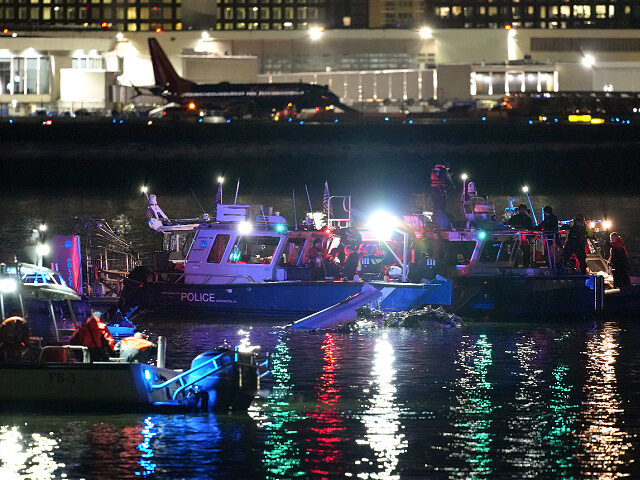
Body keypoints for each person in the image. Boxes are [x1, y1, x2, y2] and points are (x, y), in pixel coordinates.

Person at [430, 164, 453, 228]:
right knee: (441, 206)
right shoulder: (443, 171)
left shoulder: (434, 170)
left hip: (434, 189)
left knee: (436, 205)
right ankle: (442, 222)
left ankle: (437, 217)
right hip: (440, 189)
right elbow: (448, 180)